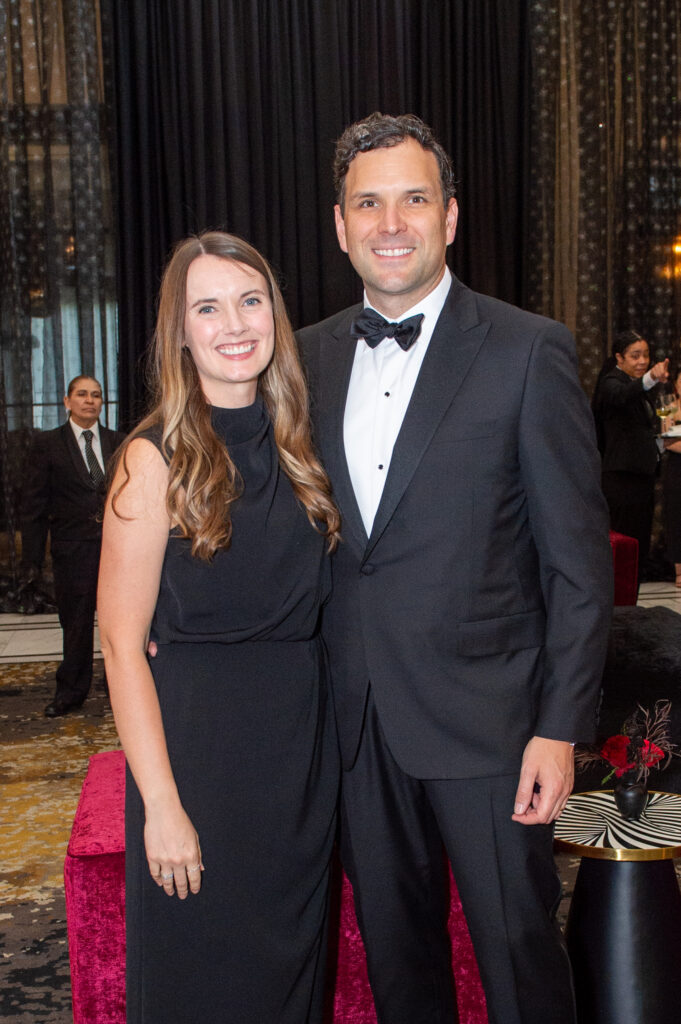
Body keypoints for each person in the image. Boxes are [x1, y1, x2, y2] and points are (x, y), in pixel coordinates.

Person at [296, 112, 613, 1024]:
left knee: (518, 963)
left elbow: (577, 567)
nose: (389, 223)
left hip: (492, 733)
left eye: (412, 199)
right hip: (354, 725)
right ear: (339, 222)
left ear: (450, 216)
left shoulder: (526, 349)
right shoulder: (305, 356)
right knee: (400, 968)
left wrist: (558, 728)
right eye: (368, 203)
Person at [97, 232, 341, 1023]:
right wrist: (161, 805)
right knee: (204, 981)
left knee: (291, 983)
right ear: (180, 331)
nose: (234, 323)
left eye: (249, 299)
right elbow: (120, 644)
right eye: (207, 306)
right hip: (198, 762)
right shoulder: (152, 457)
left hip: (299, 762)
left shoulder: (302, 443)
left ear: (274, 312)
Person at [20, 375, 125, 717]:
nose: (90, 401)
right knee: (76, 625)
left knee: (120, 624)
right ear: (67, 401)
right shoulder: (47, 445)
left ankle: (120, 688)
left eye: (96, 395)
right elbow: (34, 506)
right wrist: (31, 560)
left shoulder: (118, 442)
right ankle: (70, 692)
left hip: (116, 552)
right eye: (82, 395)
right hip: (72, 552)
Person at [592, 329, 669, 575]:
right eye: (635, 356)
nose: (643, 361)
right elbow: (622, 396)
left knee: (639, 547)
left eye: (646, 355)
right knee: (623, 547)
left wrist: (659, 443)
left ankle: (632, 606)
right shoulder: (611, 383)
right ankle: (619, 608)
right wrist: (650, 379)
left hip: (640, 477)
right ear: (619, 358)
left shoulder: (636, 388)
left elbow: (637, 431)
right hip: (621, 480)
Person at [662, 367, 681, 586]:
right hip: (676, 469)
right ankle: (678, 570)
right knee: (676, 517)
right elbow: (666, 441)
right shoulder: (669, 407)